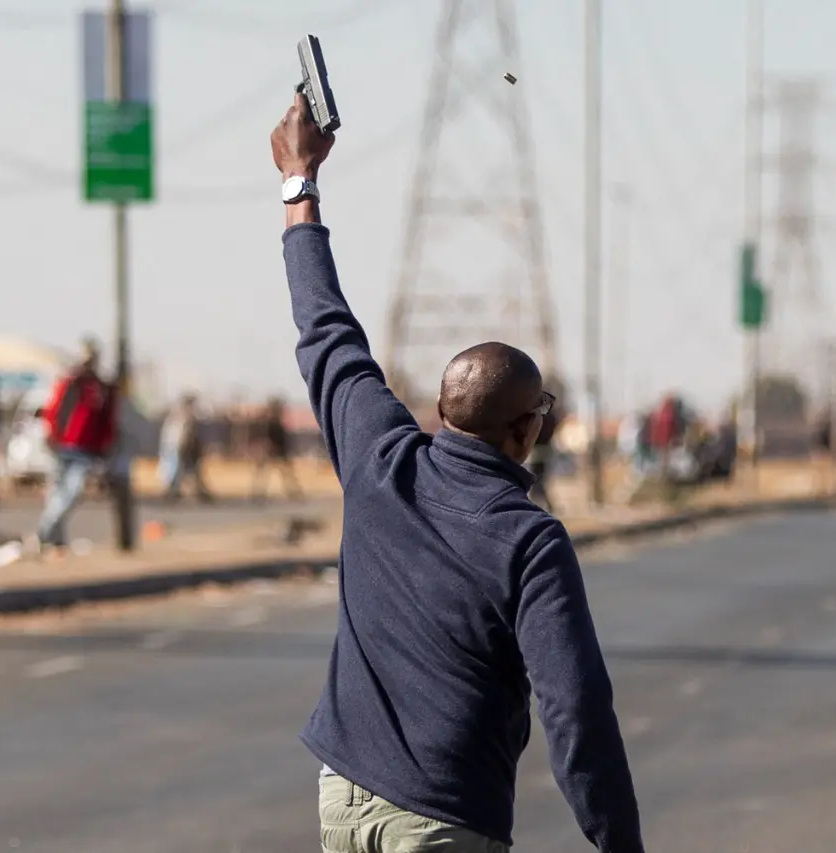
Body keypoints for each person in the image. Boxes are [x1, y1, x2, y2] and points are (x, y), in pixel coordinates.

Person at [271, 93, 644, 853]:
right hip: (443, 817)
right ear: (526, 430)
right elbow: (575, 708)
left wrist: (299, 183)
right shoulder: (530, 543)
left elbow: (325, 325)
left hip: (343, 799)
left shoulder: (380, 458)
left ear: (440, 409)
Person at [25, 337, 118, 554]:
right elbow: (53, 410)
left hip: (85, 451)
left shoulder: (101, 388)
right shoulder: (69, 382)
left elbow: (108, 421)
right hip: (62, 446)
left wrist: (105, 447)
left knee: (72, 493)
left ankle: (43, 533)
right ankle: (55, 541)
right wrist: (50, 434)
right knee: (57, 494)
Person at [250, 395, 302, 502]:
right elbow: (265, 439)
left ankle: (293, 494)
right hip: (272, 452)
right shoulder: (270, 424)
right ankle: (258, 496)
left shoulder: (275, 424)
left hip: (278, 452)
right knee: (264, 475)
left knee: (286, 475)